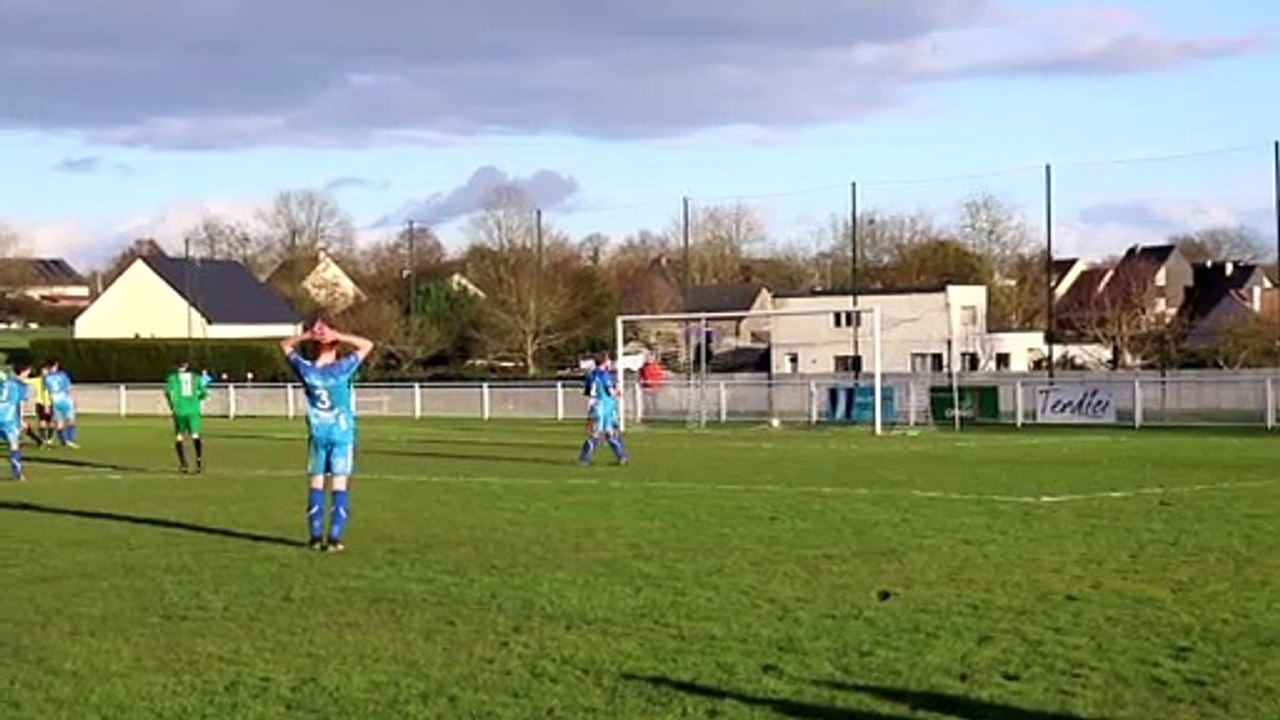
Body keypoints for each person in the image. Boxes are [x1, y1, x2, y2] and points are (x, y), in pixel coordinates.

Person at [281, 319, 374, 552]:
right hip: (342, 435)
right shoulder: (341, 369)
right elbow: (367, 345)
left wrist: (307, 336)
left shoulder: (307, 370)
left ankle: (314, 538)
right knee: (339, 485)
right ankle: (333, 539)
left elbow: (285, 345)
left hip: (318, 435)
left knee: (316, 484)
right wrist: (338, 334)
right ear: (334, 345)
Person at [579, 352, 628, 465]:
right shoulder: (604, 375)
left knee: (597, 434)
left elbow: (587, 392)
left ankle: (621, 457)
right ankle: (621, 457)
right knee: (608, 433)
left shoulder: (590, 375)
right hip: (605, 407)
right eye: (608, 360)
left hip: (595, 406)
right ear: (605, 362)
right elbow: (610, 391)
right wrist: (618, 392)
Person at [165, 360, 209, 474]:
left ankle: (183, 463)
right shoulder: (196, 378)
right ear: (187, 366)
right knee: (195, 434)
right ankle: (198, 462)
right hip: (193, 410)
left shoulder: (173, 378)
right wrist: (196, 400)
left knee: (179, 436)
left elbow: (168, 392)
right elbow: (205, 393)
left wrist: (172, 405)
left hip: (179, 410)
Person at [0, 366, 29, 480]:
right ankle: (17, 474)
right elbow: (20, 404)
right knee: (14, 445)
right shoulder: (18, 386)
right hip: (9, 419)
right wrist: (21, 420)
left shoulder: (4, 385)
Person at [41, 359, 78, 448]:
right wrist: (46, 405)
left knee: (69, 421)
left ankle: (68, 440)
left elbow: (68, 388)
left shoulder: (59, 375)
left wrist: (73, 399)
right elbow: (46, 392)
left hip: (63, 400)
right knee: (62, 423)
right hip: (60, 401)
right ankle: (66, 441)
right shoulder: (51, 377)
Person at [16, 365, 48, 447]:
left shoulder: (21, 384)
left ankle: (37, 440)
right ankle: (37, 440)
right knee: (20, 425)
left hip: (12, 407)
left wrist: (21, 413)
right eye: (27, 372)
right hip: (9, 407)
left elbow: (21, 400)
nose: (28, 374)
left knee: (21, 424)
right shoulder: (17, 383)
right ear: (22, 371)